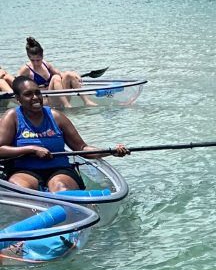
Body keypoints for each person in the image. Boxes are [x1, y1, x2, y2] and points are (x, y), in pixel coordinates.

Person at [0, 76, 129, 194]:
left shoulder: (57, 117)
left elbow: (81, 148)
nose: (35, 97)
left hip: (58, 169)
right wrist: (32, 149)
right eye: (28, 94)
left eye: (37, 92)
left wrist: (111, 151)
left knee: (61, 187)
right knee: (20, 187)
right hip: (23, 170)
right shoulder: (12, 117)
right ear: (18, 98)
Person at [17, 36, 82, 97]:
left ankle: (86, 101)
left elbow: (60, 74)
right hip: (42, 99)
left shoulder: (46, 64)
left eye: (38, 60)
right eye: (32, 60)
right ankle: (66, 104)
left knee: (68, 75)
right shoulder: (26, 69)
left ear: (42, 56)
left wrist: (73, 74)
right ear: (28, 57)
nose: (36, 63)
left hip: (53, 96)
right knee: (55, 78)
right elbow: (17, 84)